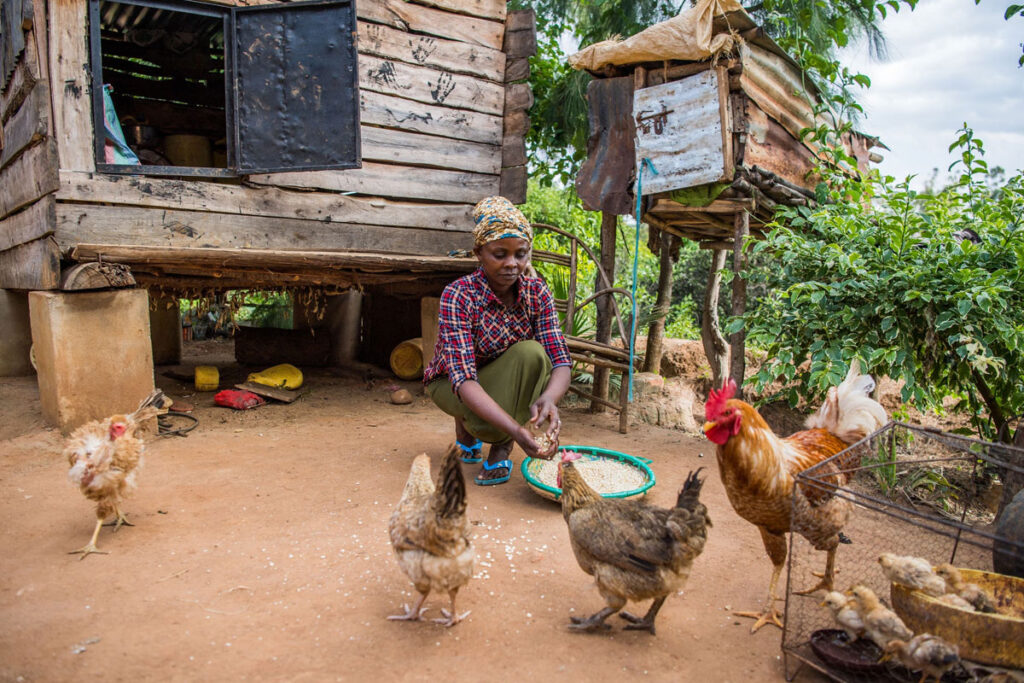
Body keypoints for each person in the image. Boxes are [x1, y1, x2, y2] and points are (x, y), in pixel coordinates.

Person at [423, 196, 571, 485]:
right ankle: (480, 431)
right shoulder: (459, 295)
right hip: (449, 384)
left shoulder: (537, 293)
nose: (512, 264)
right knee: (482, 422)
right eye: (500, 254)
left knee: (533, 353)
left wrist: (550, 399)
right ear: (479, 252)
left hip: (503, 378)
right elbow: (463, 379)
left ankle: (499, 448)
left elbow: (560, 361)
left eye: (521, 254)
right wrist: (517, 430)